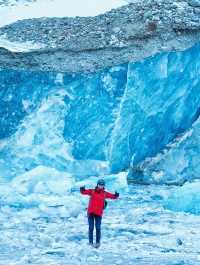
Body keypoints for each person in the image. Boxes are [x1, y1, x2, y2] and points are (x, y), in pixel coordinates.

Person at [80, 179, 119, 248]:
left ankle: (98, 243)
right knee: (91, 228)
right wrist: (82, 189)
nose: (101, 186)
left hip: (98, 214)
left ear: (103, 186)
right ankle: (90, 243)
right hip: (91, 213)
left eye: (102, 185)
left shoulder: (104, 193)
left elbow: (112, 196)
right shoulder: (92, 191)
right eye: (100, 184)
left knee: (98, 228)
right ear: (97, 185)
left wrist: (116, 195)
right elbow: (84, 192)